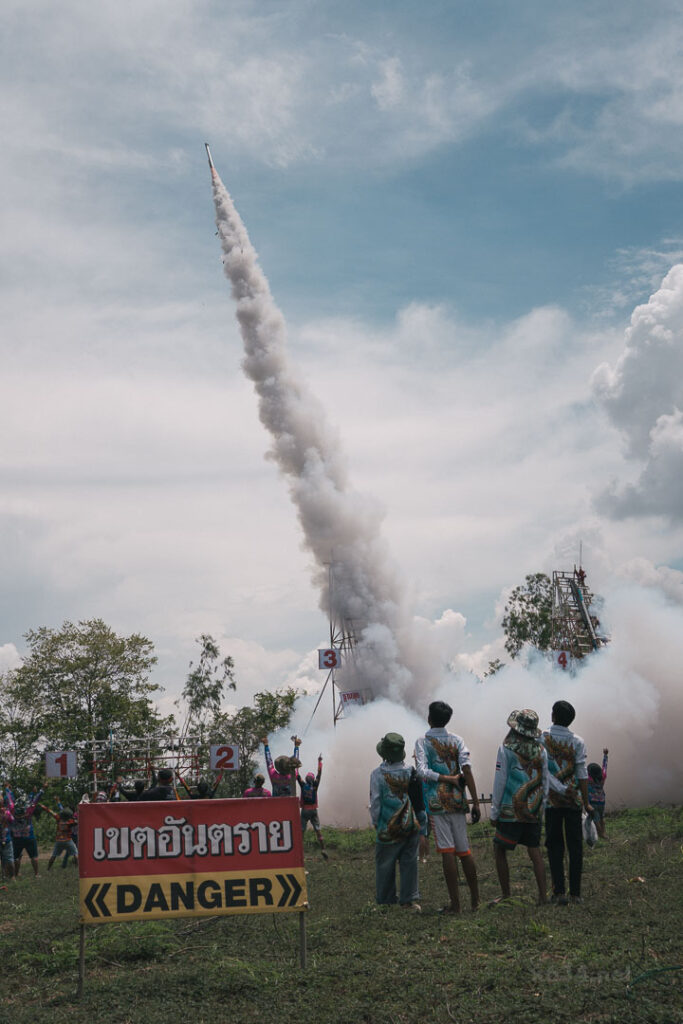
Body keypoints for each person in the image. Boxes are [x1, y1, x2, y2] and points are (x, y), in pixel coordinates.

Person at [490, 709, 565, 906]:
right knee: (535, 851)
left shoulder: (505, 749)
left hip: (510, 811)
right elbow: (545, 782)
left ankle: (506, 894)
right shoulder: (541, 751)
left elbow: (500, 782)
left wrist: (494, 811)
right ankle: (542, 896)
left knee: (499, 849)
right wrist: (542, 805)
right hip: (534, 810)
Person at [415, 701, 480, 913]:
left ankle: (455, 905)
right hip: (458, 801)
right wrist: (475, 801)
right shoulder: (457, 740)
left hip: (436, 803)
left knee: (447, 852)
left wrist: (445, 778)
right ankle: (475, 902)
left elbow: (422, 771)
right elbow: (467, 769)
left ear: (429, 718)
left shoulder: (423, 742)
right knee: (464, 850)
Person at [542, 700, 593, 905]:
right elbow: (582, 773)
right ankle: (576, 893)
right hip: (573, 800)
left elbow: (542, 770)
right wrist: (586, 801)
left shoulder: (542, 737)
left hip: (551, 802)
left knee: (554, 845)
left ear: (553, 716)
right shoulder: (578, 741)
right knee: (575, 846)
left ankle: (558, 892)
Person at [370, 733, 421, 911]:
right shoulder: (411, 771)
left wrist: (376, 822)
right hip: (410, 825)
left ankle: (386, 900)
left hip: (387, 827)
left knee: (385, 864)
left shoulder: (377, 774)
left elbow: (375, 802)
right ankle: (408, 899)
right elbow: (417, 798)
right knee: (409, 862)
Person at [296, 754, 328, 860]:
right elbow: (319, 773)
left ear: (306, 778)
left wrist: (295, 766)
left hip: (305, 810)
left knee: (302, 831)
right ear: (313, 779)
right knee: (318, 830)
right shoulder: (315, 786)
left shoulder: (302, 785)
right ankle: (323, 849)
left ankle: (300, 853)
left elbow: (297, 775)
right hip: (314, 810)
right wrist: (319, 762)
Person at [8, 785, 44, 877]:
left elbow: (10, 800)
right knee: (34, 857)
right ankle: (36, 874)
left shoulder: (12, 810)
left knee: (16, 857)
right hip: (29, 837)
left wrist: (8, 790)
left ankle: (15, 874)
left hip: (17, 838)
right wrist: (41, 789)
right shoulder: (28, 811)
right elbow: (35, 801)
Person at [40, 804, 79, 869]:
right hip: (68, 840)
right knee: (75, 854)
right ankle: (77, 868)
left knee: (53, 855)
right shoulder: (70, 821)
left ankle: (48, 869)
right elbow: (77, 822)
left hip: (58, 840)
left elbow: (51, 812)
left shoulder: (58, 819)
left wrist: (44, 807)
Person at [587, 749, 609, 840]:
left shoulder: (589, 779)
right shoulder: (602, 777)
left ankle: (600, 833)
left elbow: (580, 770)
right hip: (601, 801)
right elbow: (605, 766)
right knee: (602, 817)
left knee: (596, 819)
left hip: (592, 802)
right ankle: (604, 833)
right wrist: (605, 756)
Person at [1, 790, 15, 882]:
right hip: (6, 838)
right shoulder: (7, 812)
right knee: (9, 859)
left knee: (3, 859)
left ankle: (4, 876)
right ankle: (12, 877)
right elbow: (12, 821)